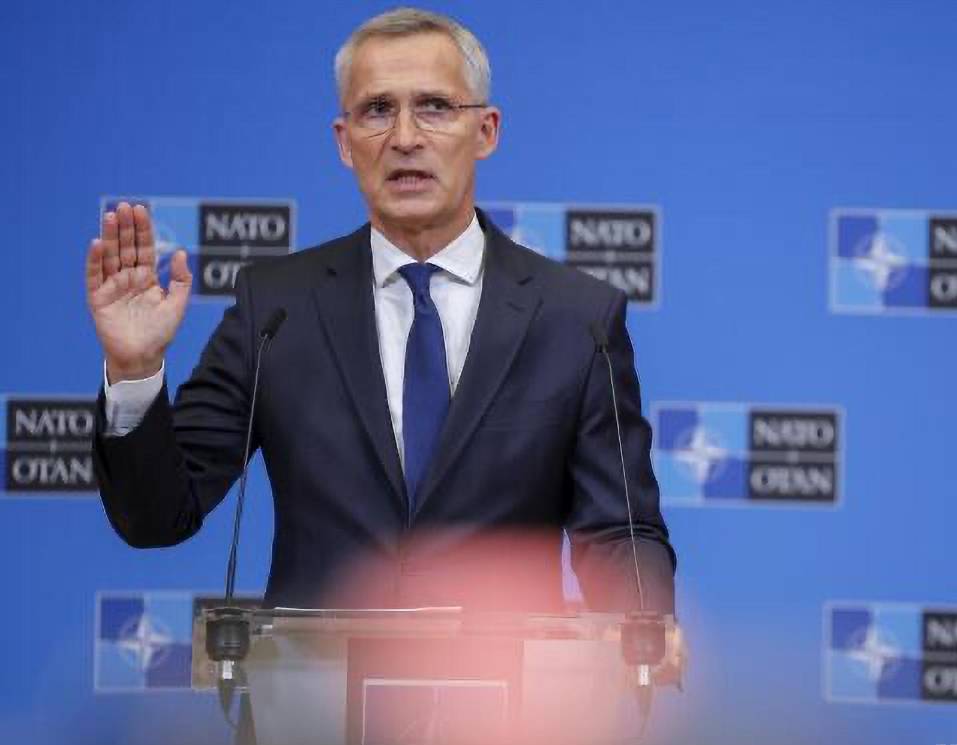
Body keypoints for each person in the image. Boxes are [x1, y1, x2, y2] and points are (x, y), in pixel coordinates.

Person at [85, 7, 675, 613]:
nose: (405, 138)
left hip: (506, 700)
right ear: (344, 142)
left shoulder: (576, 318)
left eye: (435, 107)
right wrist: (134, 371)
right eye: (377, 110)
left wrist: (645, 631)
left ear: (487, 131)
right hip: (315, 698)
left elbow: (619, 532)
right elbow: (157, 517)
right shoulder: (277, 308)